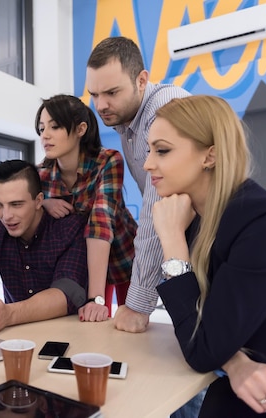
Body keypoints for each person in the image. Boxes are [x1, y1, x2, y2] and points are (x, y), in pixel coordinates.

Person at [148, 95, 266, 417]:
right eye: (149, 150)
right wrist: (235, 361)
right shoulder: (198, 219)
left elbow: (202, 348)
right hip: (250, 378)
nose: (148, 163)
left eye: (162, 150)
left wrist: (172, 240)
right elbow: (205, 329)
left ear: (210, 155)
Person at [85, 36, 201, 418]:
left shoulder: (164, 107)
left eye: (112, 92)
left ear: (141, 80)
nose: (101, 105)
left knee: (201, 357)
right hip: (186, 248)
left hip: (205, 244)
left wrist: (137, 304)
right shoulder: (127, 119)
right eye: (94, 94)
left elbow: (158, 213)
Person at [36, 94, 137, 322]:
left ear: (81, 129)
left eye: (55, 126)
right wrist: (43, 203)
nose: (45, 135)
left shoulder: (108, 160)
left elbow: (100, 220)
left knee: (129, 323)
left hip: (123, 256)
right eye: (41, 128)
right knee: (92, 326)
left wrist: (96, 299)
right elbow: (27, 207)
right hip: (82, 263)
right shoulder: (41, 173)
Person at [0, 159, 89, 334]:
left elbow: (67, 293)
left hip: (68, 334)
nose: (6, 216)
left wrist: (9, 315)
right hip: (14, 336)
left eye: (16, 204)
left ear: (38, 201)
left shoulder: (70, 229)